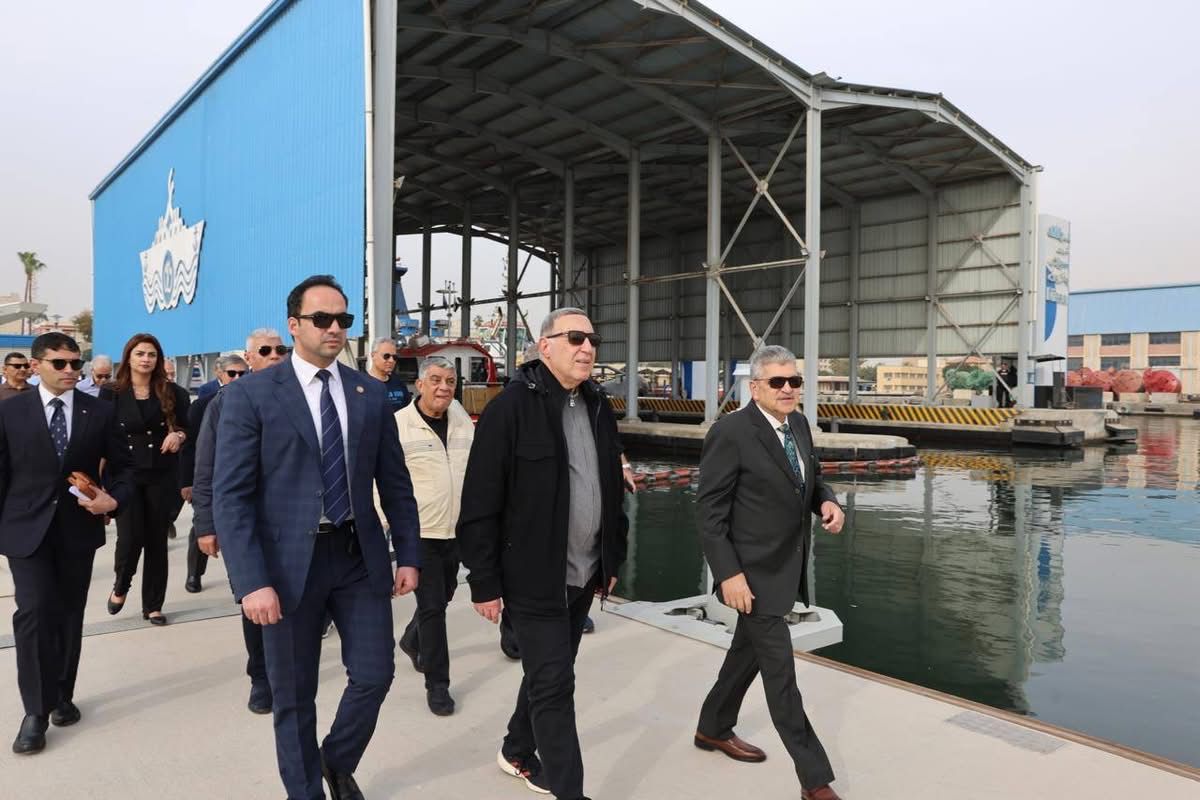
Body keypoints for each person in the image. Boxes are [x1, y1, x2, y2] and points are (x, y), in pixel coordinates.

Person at [214, 275, 420, 800]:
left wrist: (408, 555)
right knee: (293, 694)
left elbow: (395, 483)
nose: (334, 328)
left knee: (375, 674)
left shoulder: (369, 394)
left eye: (343, 319)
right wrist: (251, 581)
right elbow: (231, 497)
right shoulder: (252, 395)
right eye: (322, 319)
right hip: (285, 566)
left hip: (356, 555)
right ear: (294, 325)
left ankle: (335, 760)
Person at [458, 306, 628, 800]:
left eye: (592, 339)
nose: (587, 347)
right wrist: (484, 582)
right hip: (533, 578)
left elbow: (609, 488)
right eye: (575, 338)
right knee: (555, 687)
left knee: (548, 672)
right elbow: (480, 501)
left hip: (585, 573)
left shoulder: (598, 406)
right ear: (545, 346)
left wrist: (611, 557)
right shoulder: (510, 409)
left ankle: (516, 749)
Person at [693, 345, 846, 800]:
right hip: (750, 574)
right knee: (782, 679)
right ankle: (815, 781)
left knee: (746, 655)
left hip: (785, 566)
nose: (787, 389)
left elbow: (811, 479)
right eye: (777, 382)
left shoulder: (798, 424)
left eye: (794, 381)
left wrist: (827, 501)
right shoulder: (731, 432)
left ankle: (712, 727)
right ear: (755, 387)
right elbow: (710, 514)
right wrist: (728, 575)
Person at [0, 332, 132, 755]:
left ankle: (61, 695)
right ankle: (35, 712)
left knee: (69, 614)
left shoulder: (100, 411)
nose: (71, 370)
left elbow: (125, 468)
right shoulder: (10, 411)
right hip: (25, 530)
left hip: (77, 529)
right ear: (35, 366)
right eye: (60, 363)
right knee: (35, 611)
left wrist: (114, 499)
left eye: (76, 363)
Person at [191, 332, 287, 714]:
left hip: (292, 522)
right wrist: (205, 524)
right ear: (249, 357)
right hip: (244, 523)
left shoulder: (299, 396)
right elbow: (206, 465)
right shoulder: (226, 401)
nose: (274, 356)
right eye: (265, 350)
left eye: (281, 349)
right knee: (255, 598)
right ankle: (260, 677)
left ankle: (284, 670)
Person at [391, 355, 473, 717]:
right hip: (419, 532)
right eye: (436, 380)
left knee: (444, 594)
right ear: (420, 384)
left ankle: (412, 639)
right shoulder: (399, 425)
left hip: (458, 529)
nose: (444, 388)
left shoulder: (462, 420)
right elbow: (381, 480)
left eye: (450, 381)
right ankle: (437, 684)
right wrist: (387, 521)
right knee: (434, 609)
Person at [101, 333, 191, 626]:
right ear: (128, 358)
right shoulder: (111, 392)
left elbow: (188, 427)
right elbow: (100, 437)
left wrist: (178, 435)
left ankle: (153, 605)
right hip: (124, 475)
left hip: (161, 473)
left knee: (156, 540)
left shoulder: (173, 392)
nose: (146, 359)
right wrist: (100, 483)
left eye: (152, 354)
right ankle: (121, 584)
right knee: (130, 538)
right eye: (140, 354)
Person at [180, 354, 248, 593]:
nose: (237, 378)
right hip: (210, 478)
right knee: (201, 527)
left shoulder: (253, 400)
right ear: (219, 373)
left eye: (242, 374)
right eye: (232, 373)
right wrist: (187, 482)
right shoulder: (204, 405)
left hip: (238, 479)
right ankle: (194, 573)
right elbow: (190, 448)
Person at [366, 336, 411, 411]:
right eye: (386, 356)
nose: (391, 360)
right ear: (373, 355)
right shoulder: (362, 384)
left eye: (394, 357)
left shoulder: (399, 383)